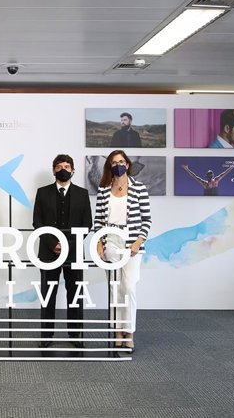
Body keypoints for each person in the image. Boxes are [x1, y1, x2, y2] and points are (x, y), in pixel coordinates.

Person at [93, 150, 151, 353]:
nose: (118, 165)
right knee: (115, 288)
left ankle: (130, 332)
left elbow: (147, 220)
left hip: (131, 245)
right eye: (114, 162)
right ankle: (118, 332)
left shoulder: (139, 189)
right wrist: (99, 243)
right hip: (111, 243)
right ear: (110, 166)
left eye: (121, 161)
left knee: (129, 287)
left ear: (127, 164)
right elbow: (98, 221)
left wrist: (137, 242)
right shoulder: (103, 191)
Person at [32, 154, 92, 349]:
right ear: (54, 171)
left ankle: (75, 334)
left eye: (67, 166)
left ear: (73, 170)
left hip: (74, 253)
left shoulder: (82, 194)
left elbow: (87, 224)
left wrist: (67, 245)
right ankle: (47, 334)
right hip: (48, 253)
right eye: (59, 166)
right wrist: (53, 244)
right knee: (48, 294)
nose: (63, 169)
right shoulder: (42, 193)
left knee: (75, 294)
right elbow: (37, 222)